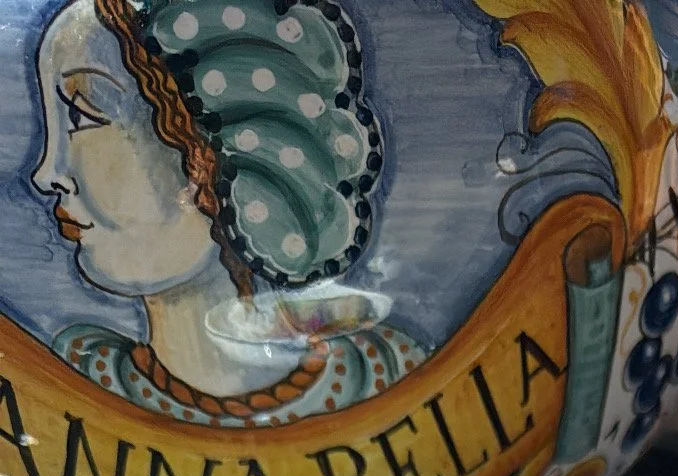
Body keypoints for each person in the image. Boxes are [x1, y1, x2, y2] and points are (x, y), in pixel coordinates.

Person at [30, 0, 425, 419]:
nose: (47, 173)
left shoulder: (385, 375)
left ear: (207, 153)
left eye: (83, 116)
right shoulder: (76, 385)